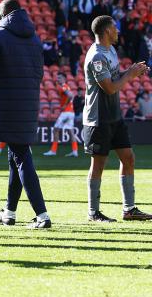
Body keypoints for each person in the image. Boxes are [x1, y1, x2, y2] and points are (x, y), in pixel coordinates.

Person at [0, 0, 52, 229]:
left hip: (6, 104)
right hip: (29, 104)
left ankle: (42, 215)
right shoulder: (35, 39)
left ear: (3, 14)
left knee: (21, 157)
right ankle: (9, 212)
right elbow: (39, 74)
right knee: (15, 157)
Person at [82, 16, 152, 222]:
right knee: (98, 166)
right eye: (114, 28)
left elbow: (114, 77)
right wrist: (129, 75)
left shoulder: (110, 51)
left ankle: (129, 209)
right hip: (98, 119)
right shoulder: (96, 56)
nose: (118, 31)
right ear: (105, 32)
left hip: (114, 117)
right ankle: (93, 212)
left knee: (128, 158)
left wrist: (132, 72)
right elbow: (110, 87)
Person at [43, 72, 80, 157]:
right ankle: (75, 151)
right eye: (57, 77)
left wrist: (64, 105)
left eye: (59, 78)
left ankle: (53, 150)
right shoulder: (67, 86)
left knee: (56, 129)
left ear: (64, 79)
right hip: (71, 113)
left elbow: (71, 96)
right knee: (70, 131)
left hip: (66, 112)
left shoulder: (63, 87)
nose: (57, 79)